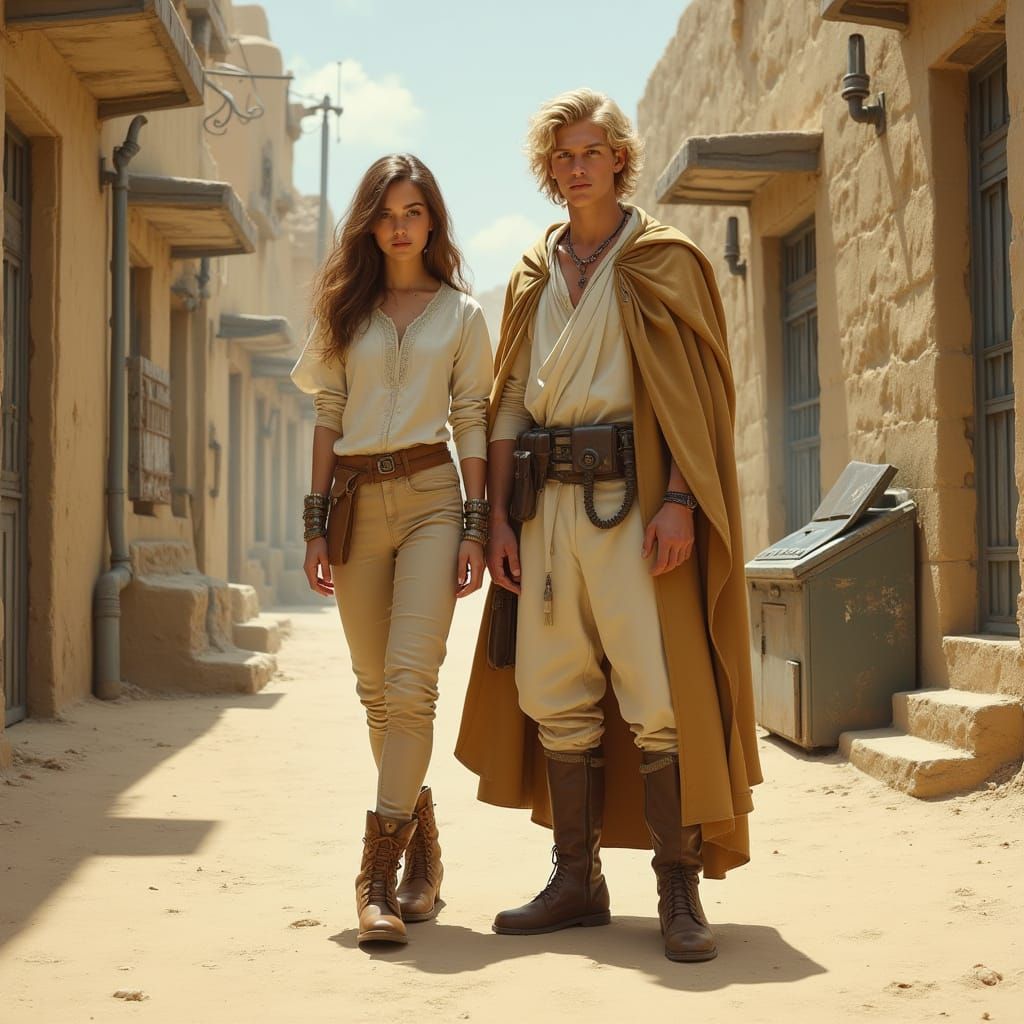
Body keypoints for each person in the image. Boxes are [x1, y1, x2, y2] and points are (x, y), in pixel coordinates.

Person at [455, 89, 762, 963]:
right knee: (553, 687)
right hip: (547, 506)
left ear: (619, 159)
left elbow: (697, 401)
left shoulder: (664, 259)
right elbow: (509, 403)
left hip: (636, 503)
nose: (576, 167)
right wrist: (499, 518)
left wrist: (681, 501)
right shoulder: (533, 270)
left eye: (591, 152)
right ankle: (576, 880)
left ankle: (678, 888)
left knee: (656, 692)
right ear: (547, 168)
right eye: (562, 155)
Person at [292, 154, 493, 947]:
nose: (399, 226)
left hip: (433, 499)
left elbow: (471, 417)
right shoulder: (345, 308)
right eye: (385, 213)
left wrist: (475, 522)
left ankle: (374, 880)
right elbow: (328, 411)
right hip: (353, 505)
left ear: (432, 220)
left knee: (412, 685)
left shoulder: (463, 315)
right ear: (369, 224)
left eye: (413, 211)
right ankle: (423, 846)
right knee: (376, 692)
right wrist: (314, 524)